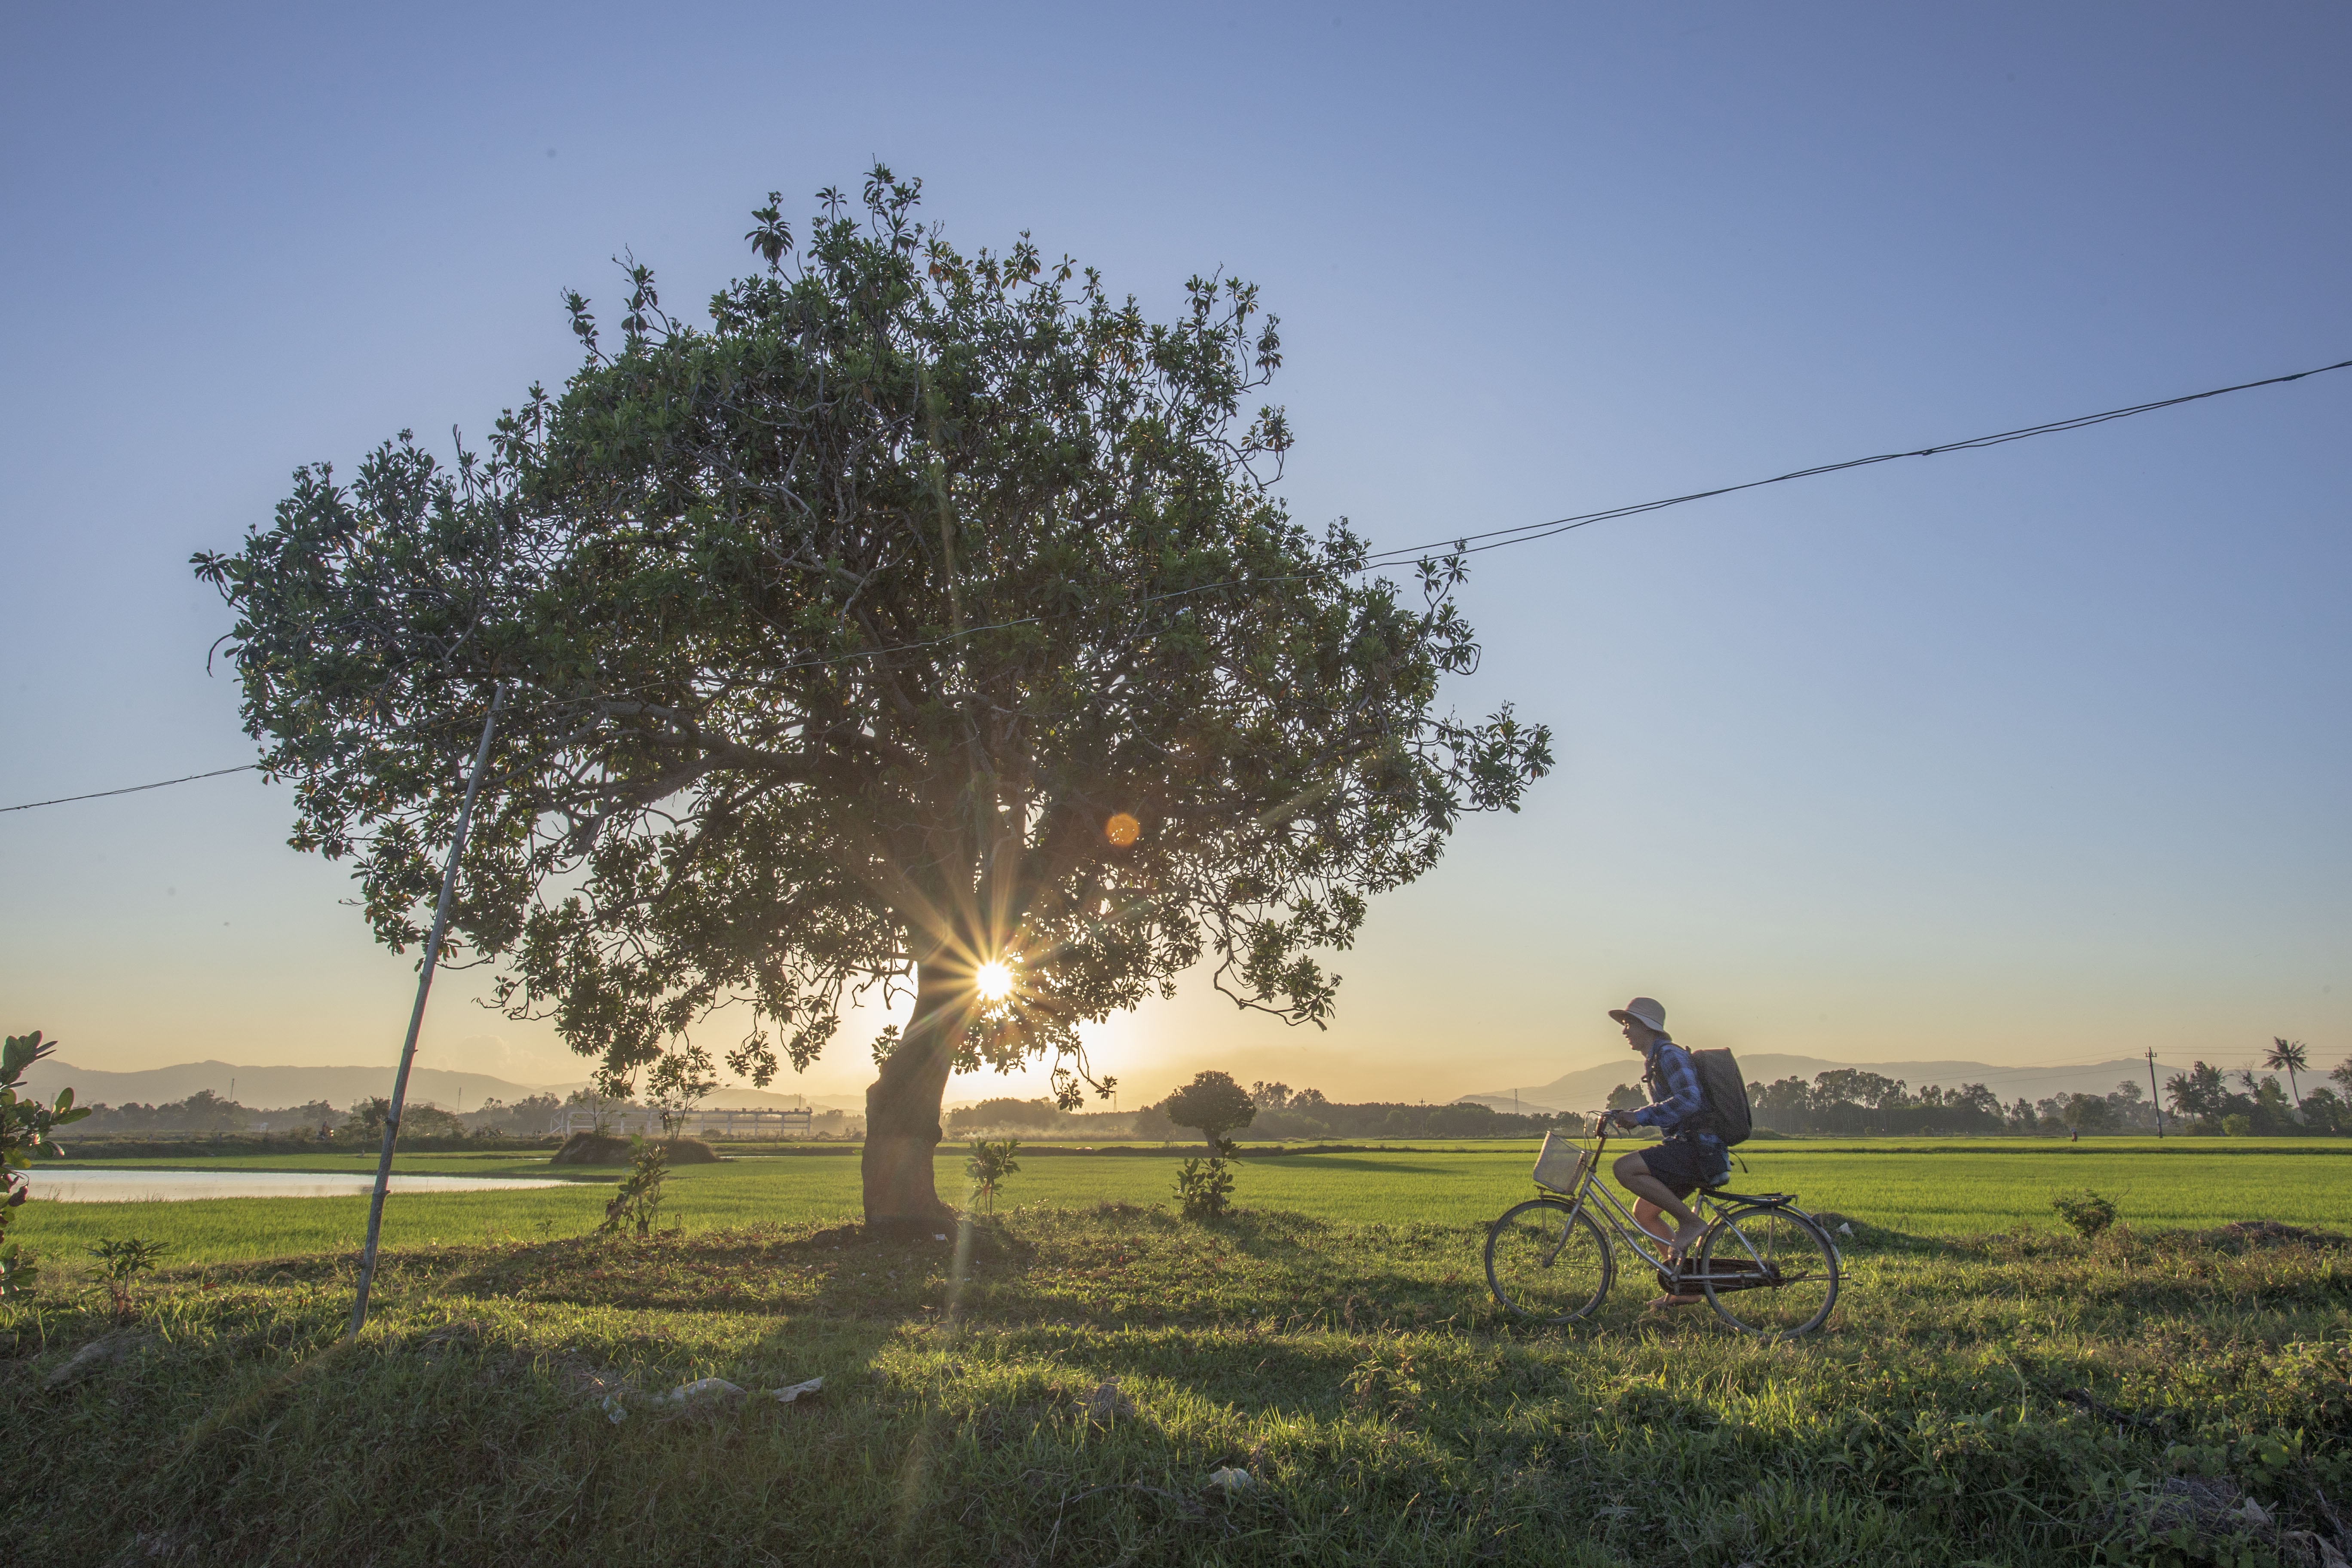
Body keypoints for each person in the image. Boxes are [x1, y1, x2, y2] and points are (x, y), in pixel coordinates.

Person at [1600, 996, 1729, 1308]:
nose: (1625, 1032)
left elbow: (1690, 1100)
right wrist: (1628, 1113)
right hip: (1691, 1147)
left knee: (1624, 1168)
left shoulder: (1669, 1056)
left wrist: (1642, 1116)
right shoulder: (1657, 1059)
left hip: (1697, 1149)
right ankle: (1684, 1287)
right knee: (1645, 1213)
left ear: (1648, 1027)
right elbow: (1672, 1108)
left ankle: (1691, 1223)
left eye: (1630, 1024)